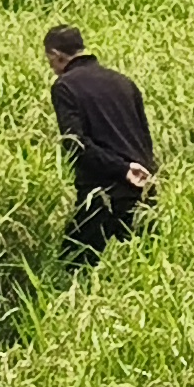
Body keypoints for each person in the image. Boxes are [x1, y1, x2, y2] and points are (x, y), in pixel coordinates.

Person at [43, 23, 156, 258]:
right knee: (145, 261)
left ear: (56, 55)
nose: (51, 67)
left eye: (49, 60)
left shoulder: (65, 86)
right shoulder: (124, 82)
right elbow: (144, 137)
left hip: (102, 192)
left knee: (73, 262)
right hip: (142, 188)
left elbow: (75, 144)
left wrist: (122, 169)